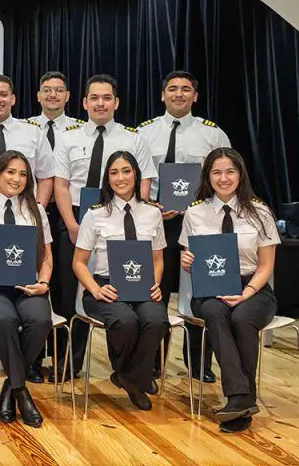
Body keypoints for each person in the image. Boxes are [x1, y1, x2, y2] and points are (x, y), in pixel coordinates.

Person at [54, 74, 157, 378]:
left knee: (119, 290)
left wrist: (135, 219)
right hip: (74, 217)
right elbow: (60, 184)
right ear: (84, 102)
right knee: (67, 293)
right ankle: (67, 364)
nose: (100, 103)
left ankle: (123, 366)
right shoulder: (68, 136)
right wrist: (73, 225)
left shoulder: (132, 138)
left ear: (116, 102)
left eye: (107, 97)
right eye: (94, 98)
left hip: (120, 220)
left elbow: (145, 181)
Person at [138, 70, 231, 384]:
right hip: (155, 223)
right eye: (173, 89)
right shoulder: (143, 133)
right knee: (154, 294)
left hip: (200, 224)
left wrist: (199, 206)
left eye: (186, 89)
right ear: (162, 95)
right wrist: (148, 206)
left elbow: (226, 177)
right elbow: (130, 177)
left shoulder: (212, 134)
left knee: (199, 293)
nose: (179, 94)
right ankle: (152, 363)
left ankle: (198, 364)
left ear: (195, 96)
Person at [180, 147, 279, 433]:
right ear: (208, 177)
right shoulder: (194, 212)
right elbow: (190, 257)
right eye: (217, 172)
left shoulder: (260, 212)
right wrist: (187, 260)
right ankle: (242, 398)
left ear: (240, 174)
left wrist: (247, 292)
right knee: (214, 311)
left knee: (242, 318)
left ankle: (238, 400)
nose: (224, 178)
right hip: (210, 290)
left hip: (254, 287)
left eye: (230, 171)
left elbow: (266, 266)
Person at [0, 74, 56, 382]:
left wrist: (32, 211)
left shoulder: (32, 133)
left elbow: (45, 175)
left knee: (33, 314)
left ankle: (24, 367)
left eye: (4, 94)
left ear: (14, 98)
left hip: (25, 215)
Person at [72, 151, 169, 410]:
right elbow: (78, 263)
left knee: (157, 320)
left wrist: (156, 284)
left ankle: (128, 378)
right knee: (125, 321)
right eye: (114, 172)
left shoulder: (152, 213)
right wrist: (95, 289)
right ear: (107, 178)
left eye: (126, 170)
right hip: (105, 286)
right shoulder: (94, 214)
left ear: (136, 174)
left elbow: (158, 259)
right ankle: (139, 379)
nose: (120, 177)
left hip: (142, 285)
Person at [0, 151, 54, 425]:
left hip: (28, 286)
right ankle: (21, 392)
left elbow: (47, 256)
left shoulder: (36, 211)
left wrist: (43, 284)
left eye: (23, 174)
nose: (16, 179)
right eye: (10, 172)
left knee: (40, 320)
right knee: (5, 319)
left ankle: (11, 387)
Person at [26, 71, 83, 381]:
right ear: (38, 96)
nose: (52, 95)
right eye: (46, 90)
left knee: (63, 286)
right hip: (29, 213)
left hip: (66, 216)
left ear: (68, 96)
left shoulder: (79, 131)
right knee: (33, 283)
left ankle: (62, 359)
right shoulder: (27, 129)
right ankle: (33, 358)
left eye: (58, 90)